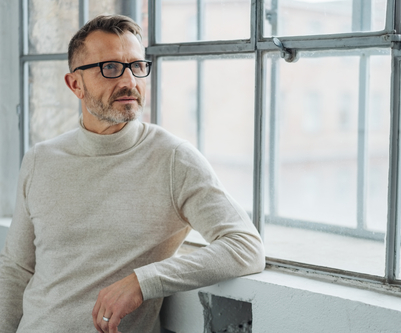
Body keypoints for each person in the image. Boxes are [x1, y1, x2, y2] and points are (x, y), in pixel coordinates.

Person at [0, 14, 265, 333]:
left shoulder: (173, 158)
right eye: (110, 68)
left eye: (137, 66)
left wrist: (144, 281)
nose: (129, 82)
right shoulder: (40, 159)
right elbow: (16, 270)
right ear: (75, 84)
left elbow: (245, 246)